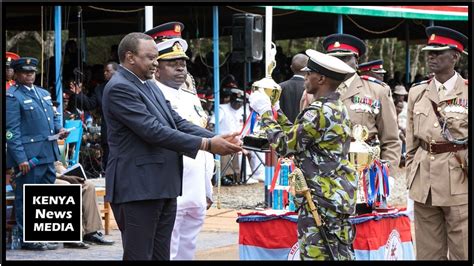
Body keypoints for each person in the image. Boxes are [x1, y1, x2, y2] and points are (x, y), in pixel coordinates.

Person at [102, 32, 242, 261]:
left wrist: (217, 137)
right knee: (140, 255)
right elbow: (152, 130)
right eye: (150, 58)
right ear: (130, 57)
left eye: (156, 58)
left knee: (161, 255)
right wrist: (207, 144)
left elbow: (175, 121)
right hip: (139, 186)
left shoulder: (148, 85)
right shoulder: (120, 87)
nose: (155, 63)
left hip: (161, 184)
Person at [249, 49, 357, 260]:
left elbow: (285, 145)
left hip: (320, 199)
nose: (305, 77)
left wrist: (264, 113)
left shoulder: (317, 111)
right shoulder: (335, 107)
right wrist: (276, 111)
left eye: (309, 74)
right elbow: (299, 137)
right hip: (334, 196)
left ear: (322, 78)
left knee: (318, 255)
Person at [406, 26, 468, 260]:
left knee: (464, 250)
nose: (431, 57)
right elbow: (411, 142)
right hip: (425, 183)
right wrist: (412, 175)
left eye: (439, 52)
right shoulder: (418, 92)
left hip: (459, 181)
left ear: (455, 56)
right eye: (429, 52)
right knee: (428, 253)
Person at [153, 37, 214, 260]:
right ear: (156, 69)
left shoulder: (190, 97)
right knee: (167, 248)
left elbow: (204, 145)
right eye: (172, 63)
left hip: (195, 187)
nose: (180, 68)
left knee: (188, 248)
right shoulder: (153, 96)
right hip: (171, 188)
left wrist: (207, 187)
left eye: (183, 63)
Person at [6, 57, 70, 251]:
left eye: (32, 72)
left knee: (44, 196)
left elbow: (53, 119)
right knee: (27, 196)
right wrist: (20, 159)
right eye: (25, 72)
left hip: (47, 153)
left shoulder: (42, 93)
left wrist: (60, 129)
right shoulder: (12, 96)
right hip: (29, 157)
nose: (29, 75)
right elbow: (11, 131)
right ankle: (28, 237)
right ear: (16, 74)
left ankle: (42, 234)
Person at [319, 33, 401, 175]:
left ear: (356, 61)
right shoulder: (314, 90)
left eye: (344, 58)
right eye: (334, 58)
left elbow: (390, 139)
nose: (339, 63)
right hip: (324, 171)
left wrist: (388, 175)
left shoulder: (377, 90)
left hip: (362, 170)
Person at [69, 61, 119, 172]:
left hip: (125, 131)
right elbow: (90, 104)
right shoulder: (100, 89)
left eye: (108, 71)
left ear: (117, 71)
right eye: (104, 71)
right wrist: (78, 94)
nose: (105, 73)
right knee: (109, 160)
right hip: (109, 131)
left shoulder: (126, 86)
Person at [53, 161, 115, 248]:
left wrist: (67, 173)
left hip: (57, 174)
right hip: (45, 176)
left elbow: (57, 164)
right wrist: (64, 177)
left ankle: (90, 233)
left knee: (89, 185)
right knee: (67, 185)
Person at [278, 53, 308, 122]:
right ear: (307, 69)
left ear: (291, 68)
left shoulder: (279, 87)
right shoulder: (311, 89)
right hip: (303, 130)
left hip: (282, 130)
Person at [392, 84, 408, 167]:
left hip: (405, 126)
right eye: (399, 95)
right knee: (400, 136)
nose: (401, 97)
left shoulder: (406, 105)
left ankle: (405, 155)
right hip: (395, 127)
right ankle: (400, 156)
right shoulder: (391, 104)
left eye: (402, 95)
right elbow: (394, 120)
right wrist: (401, 128)